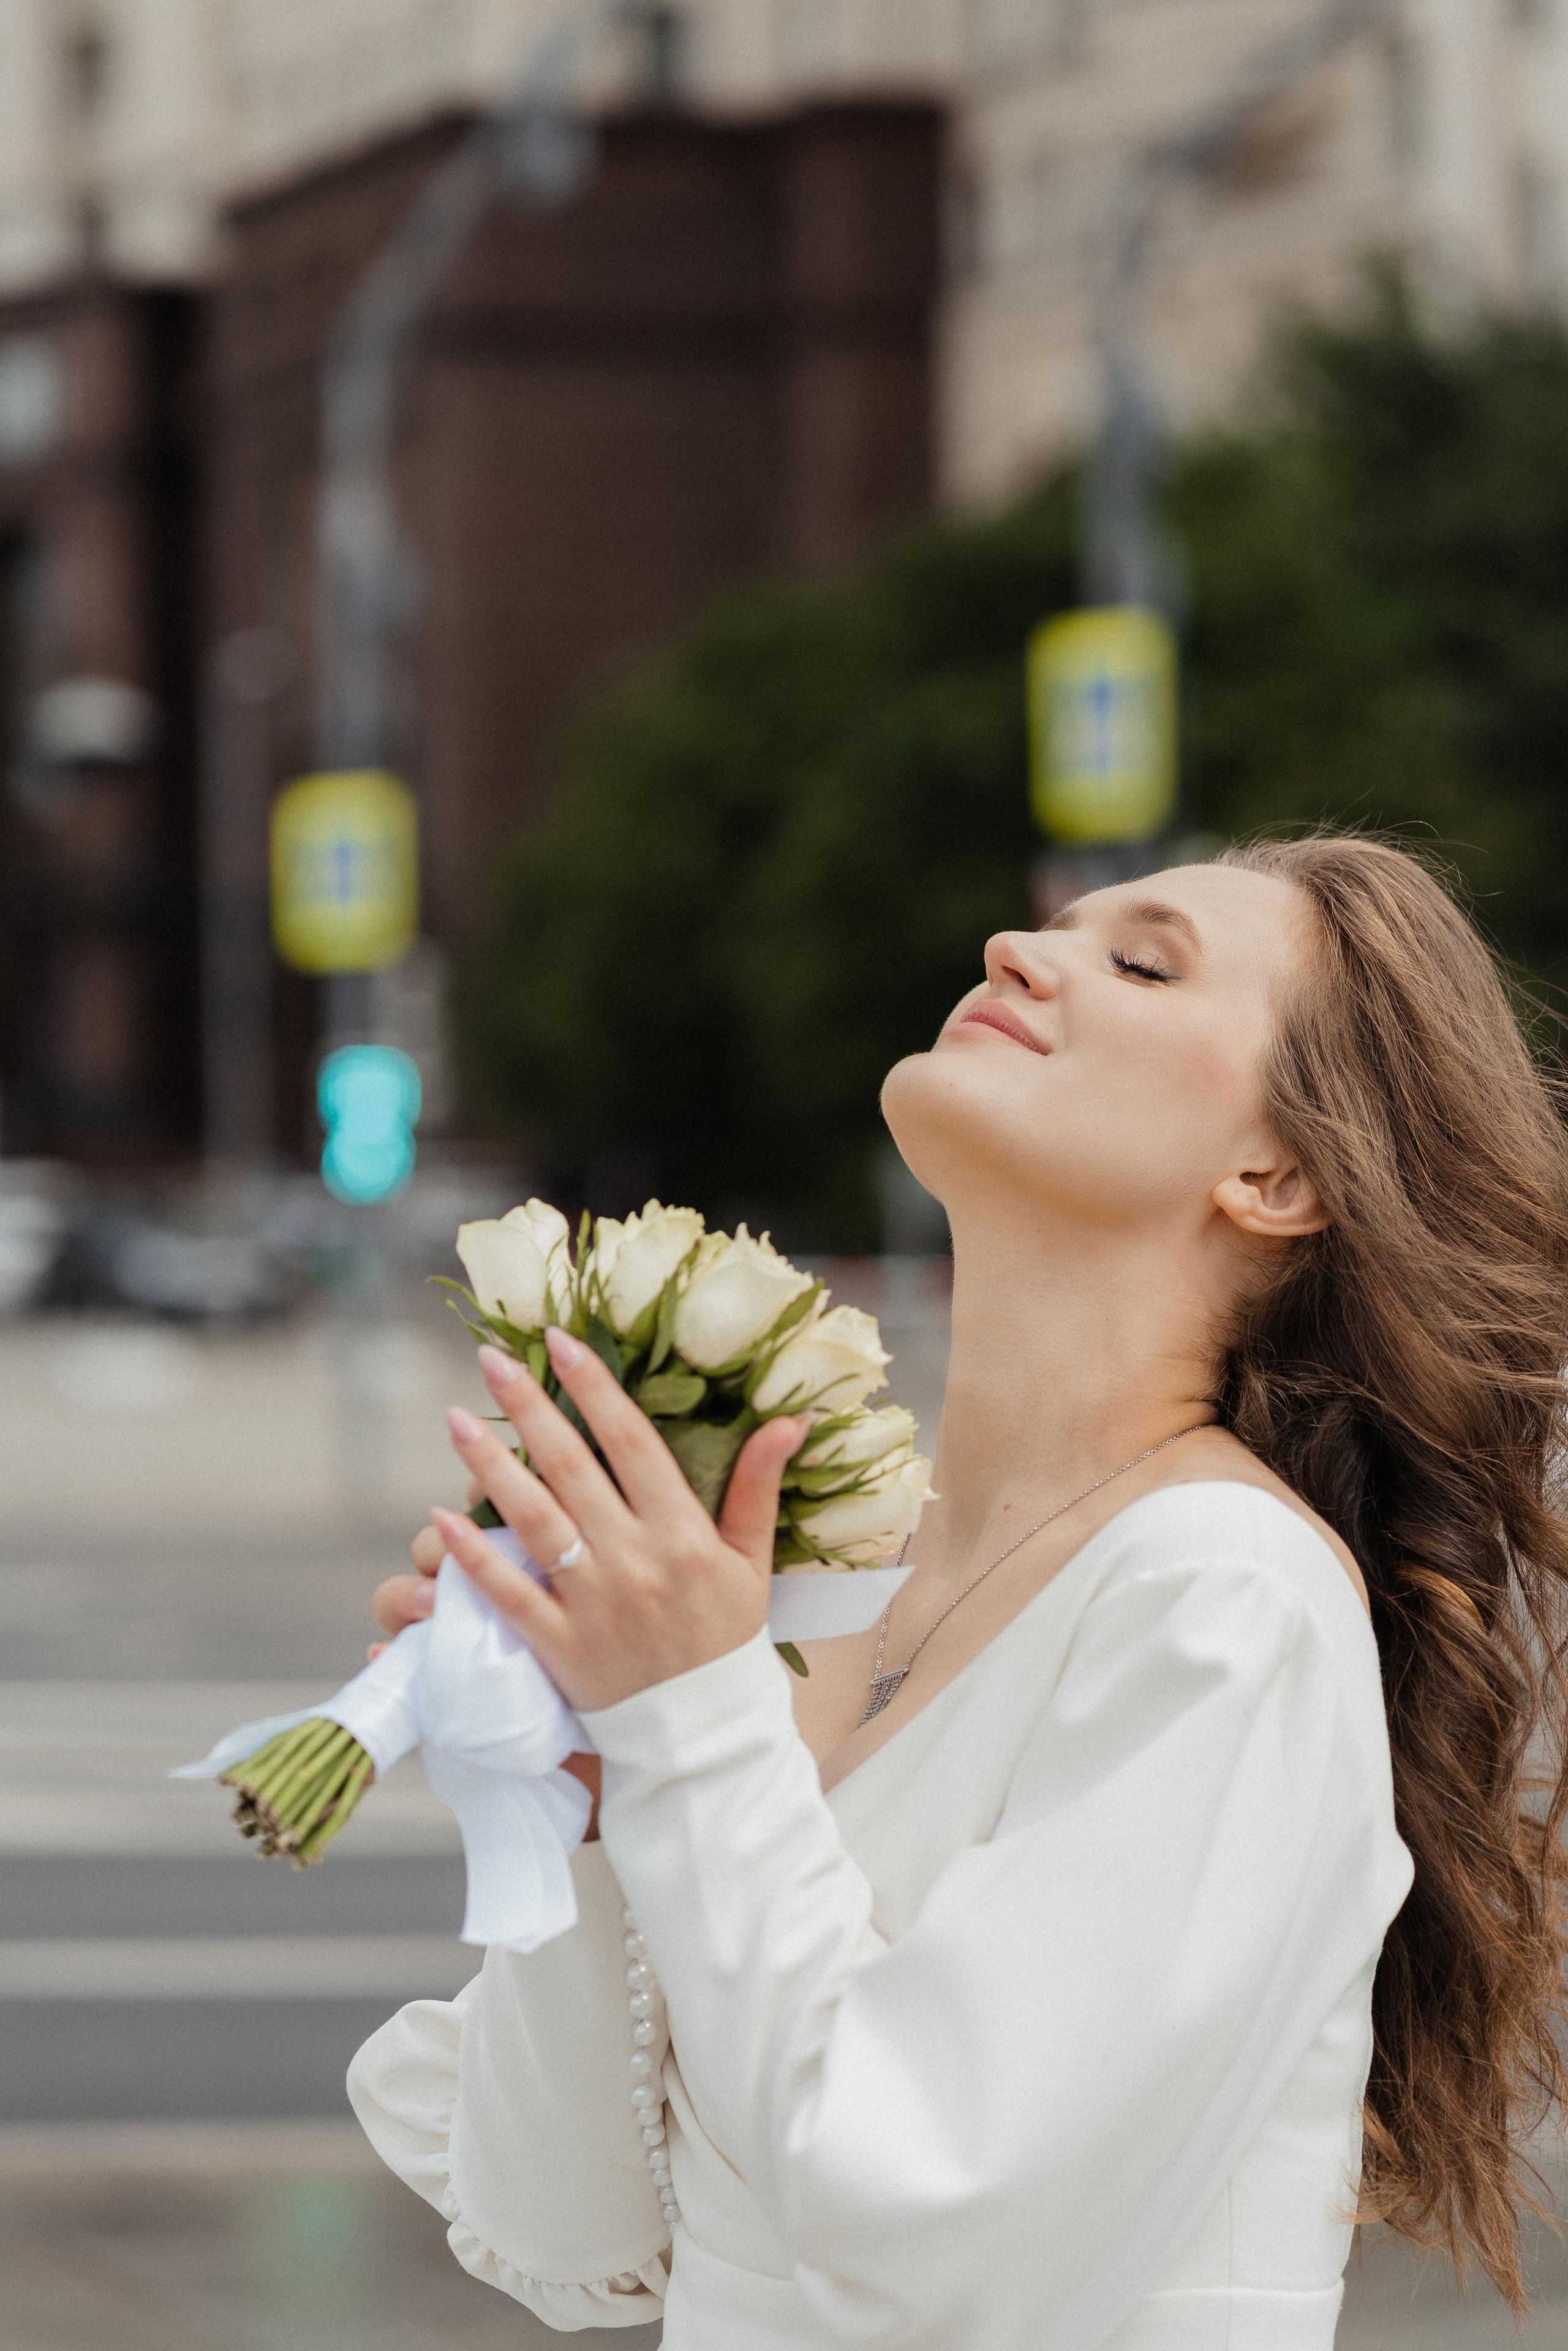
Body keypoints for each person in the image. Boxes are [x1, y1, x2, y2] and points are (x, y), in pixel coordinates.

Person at [350, 836, 1568, 2348]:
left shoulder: (1222, 1594)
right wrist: (588, 1792)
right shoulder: (828, 1585)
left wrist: (688, 1717)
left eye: (1140, 960)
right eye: (1053, 924)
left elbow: (923, 2226)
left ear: (1278, 1172)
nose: (1013, 946)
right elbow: (568, 2236)